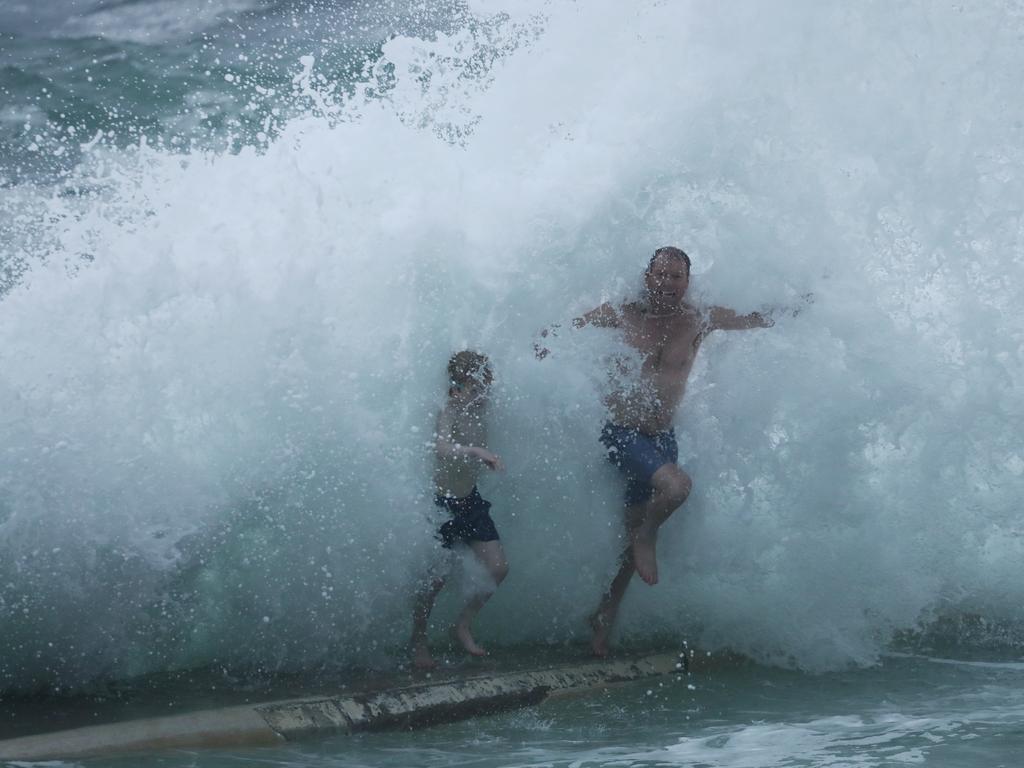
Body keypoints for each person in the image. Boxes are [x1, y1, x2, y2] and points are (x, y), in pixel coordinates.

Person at [537, 246, 805, 656]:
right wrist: (541, 341)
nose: (667, 283)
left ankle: (603, 616)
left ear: (687, 281)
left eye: (676, 276)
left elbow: (756, 318)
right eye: (660, 275)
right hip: (621, 432)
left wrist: (803, 306)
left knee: (630, 536)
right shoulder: (622, 314)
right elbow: (568, 327)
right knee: (676, 489)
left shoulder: (698, 319)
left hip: (661, 437)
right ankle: (649, 536)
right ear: (647, 277)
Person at [410, 350, 509, 670]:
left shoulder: (483, 407)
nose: (485, 391)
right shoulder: (449, 408)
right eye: (479, 385)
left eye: (487, 384)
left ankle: (462, 625)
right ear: (461, 384)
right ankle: (418, 640)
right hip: (442, 504)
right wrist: (476, 451)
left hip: (471, 501)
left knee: (498, 568)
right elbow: (440, 450)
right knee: (434, 580)